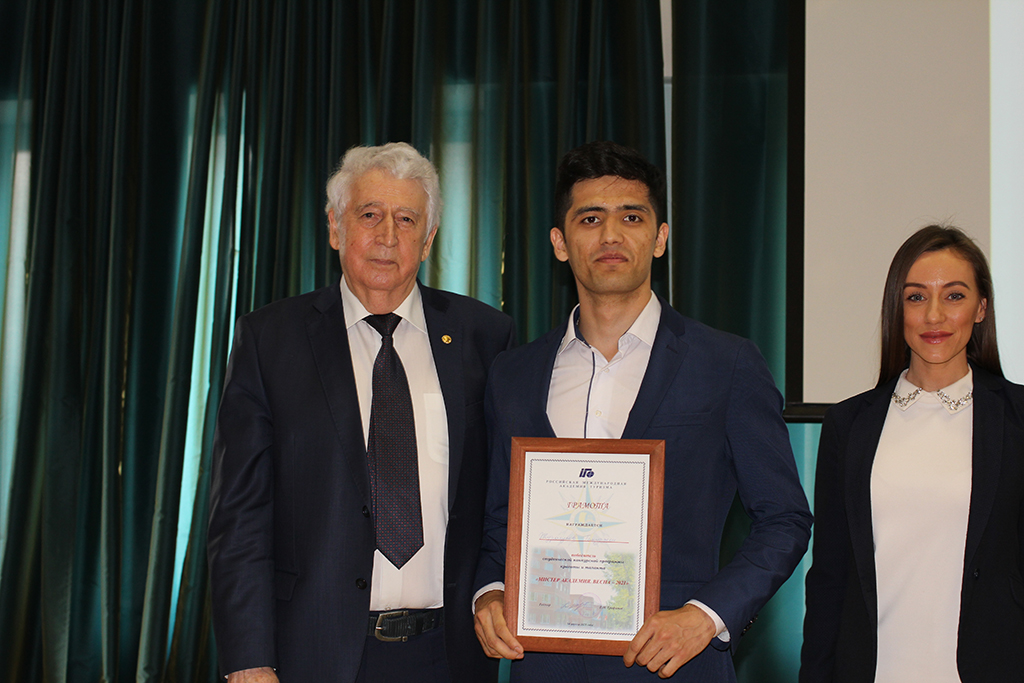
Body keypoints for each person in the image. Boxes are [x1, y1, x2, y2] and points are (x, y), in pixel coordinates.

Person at [473, 140, 812, 681]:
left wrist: (706, 617)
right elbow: (498, 519)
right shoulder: (512, 375)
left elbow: (785, 519)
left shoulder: (726, 364)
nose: (611, 235)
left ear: (660, 239)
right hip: (544, 666)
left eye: (631, 217)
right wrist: (490, 593)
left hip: (675, 666)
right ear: (560, 243)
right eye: (590, 218)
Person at [208, 142, 514, 683]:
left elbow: (504, 496)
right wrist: (249, 658)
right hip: (311, 652)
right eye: (369, 215)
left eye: (406, 219)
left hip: (449, 655)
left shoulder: (485, 337)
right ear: (335, 227)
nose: (387, 236)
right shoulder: (270, 340)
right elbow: (240, 518)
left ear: (429, 240)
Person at [800, 225, 1024, 682]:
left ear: (981, 308)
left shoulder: (1018, 419)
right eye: (916, 297)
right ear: (896, 309)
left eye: (954, 296)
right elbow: (829, 578)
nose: (934, 315)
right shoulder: (849, 424)